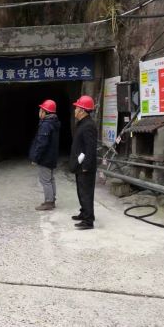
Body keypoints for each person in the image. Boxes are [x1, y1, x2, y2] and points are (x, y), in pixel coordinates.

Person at [69, 95, 98, 230]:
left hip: (85, 166)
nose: (75, 110)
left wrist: (86, 165)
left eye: (76, 108)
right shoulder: (82, 123)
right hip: (79, 164)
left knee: (86, 192)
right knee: (81, 191)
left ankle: (88, 220)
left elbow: (90, 148)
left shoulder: (88, 126)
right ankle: (84, 212)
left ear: (82, 110)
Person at [29, 99, 60, 211]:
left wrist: (35, 158)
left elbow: (41, 143)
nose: (39, 112)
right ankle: (52, 199)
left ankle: (49, 202)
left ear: (45, 112)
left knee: (45, 180)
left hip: (45, 158)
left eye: (41, 110)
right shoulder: (54, 123)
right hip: (51, 157)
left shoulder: (46, 125)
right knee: (50, 179)